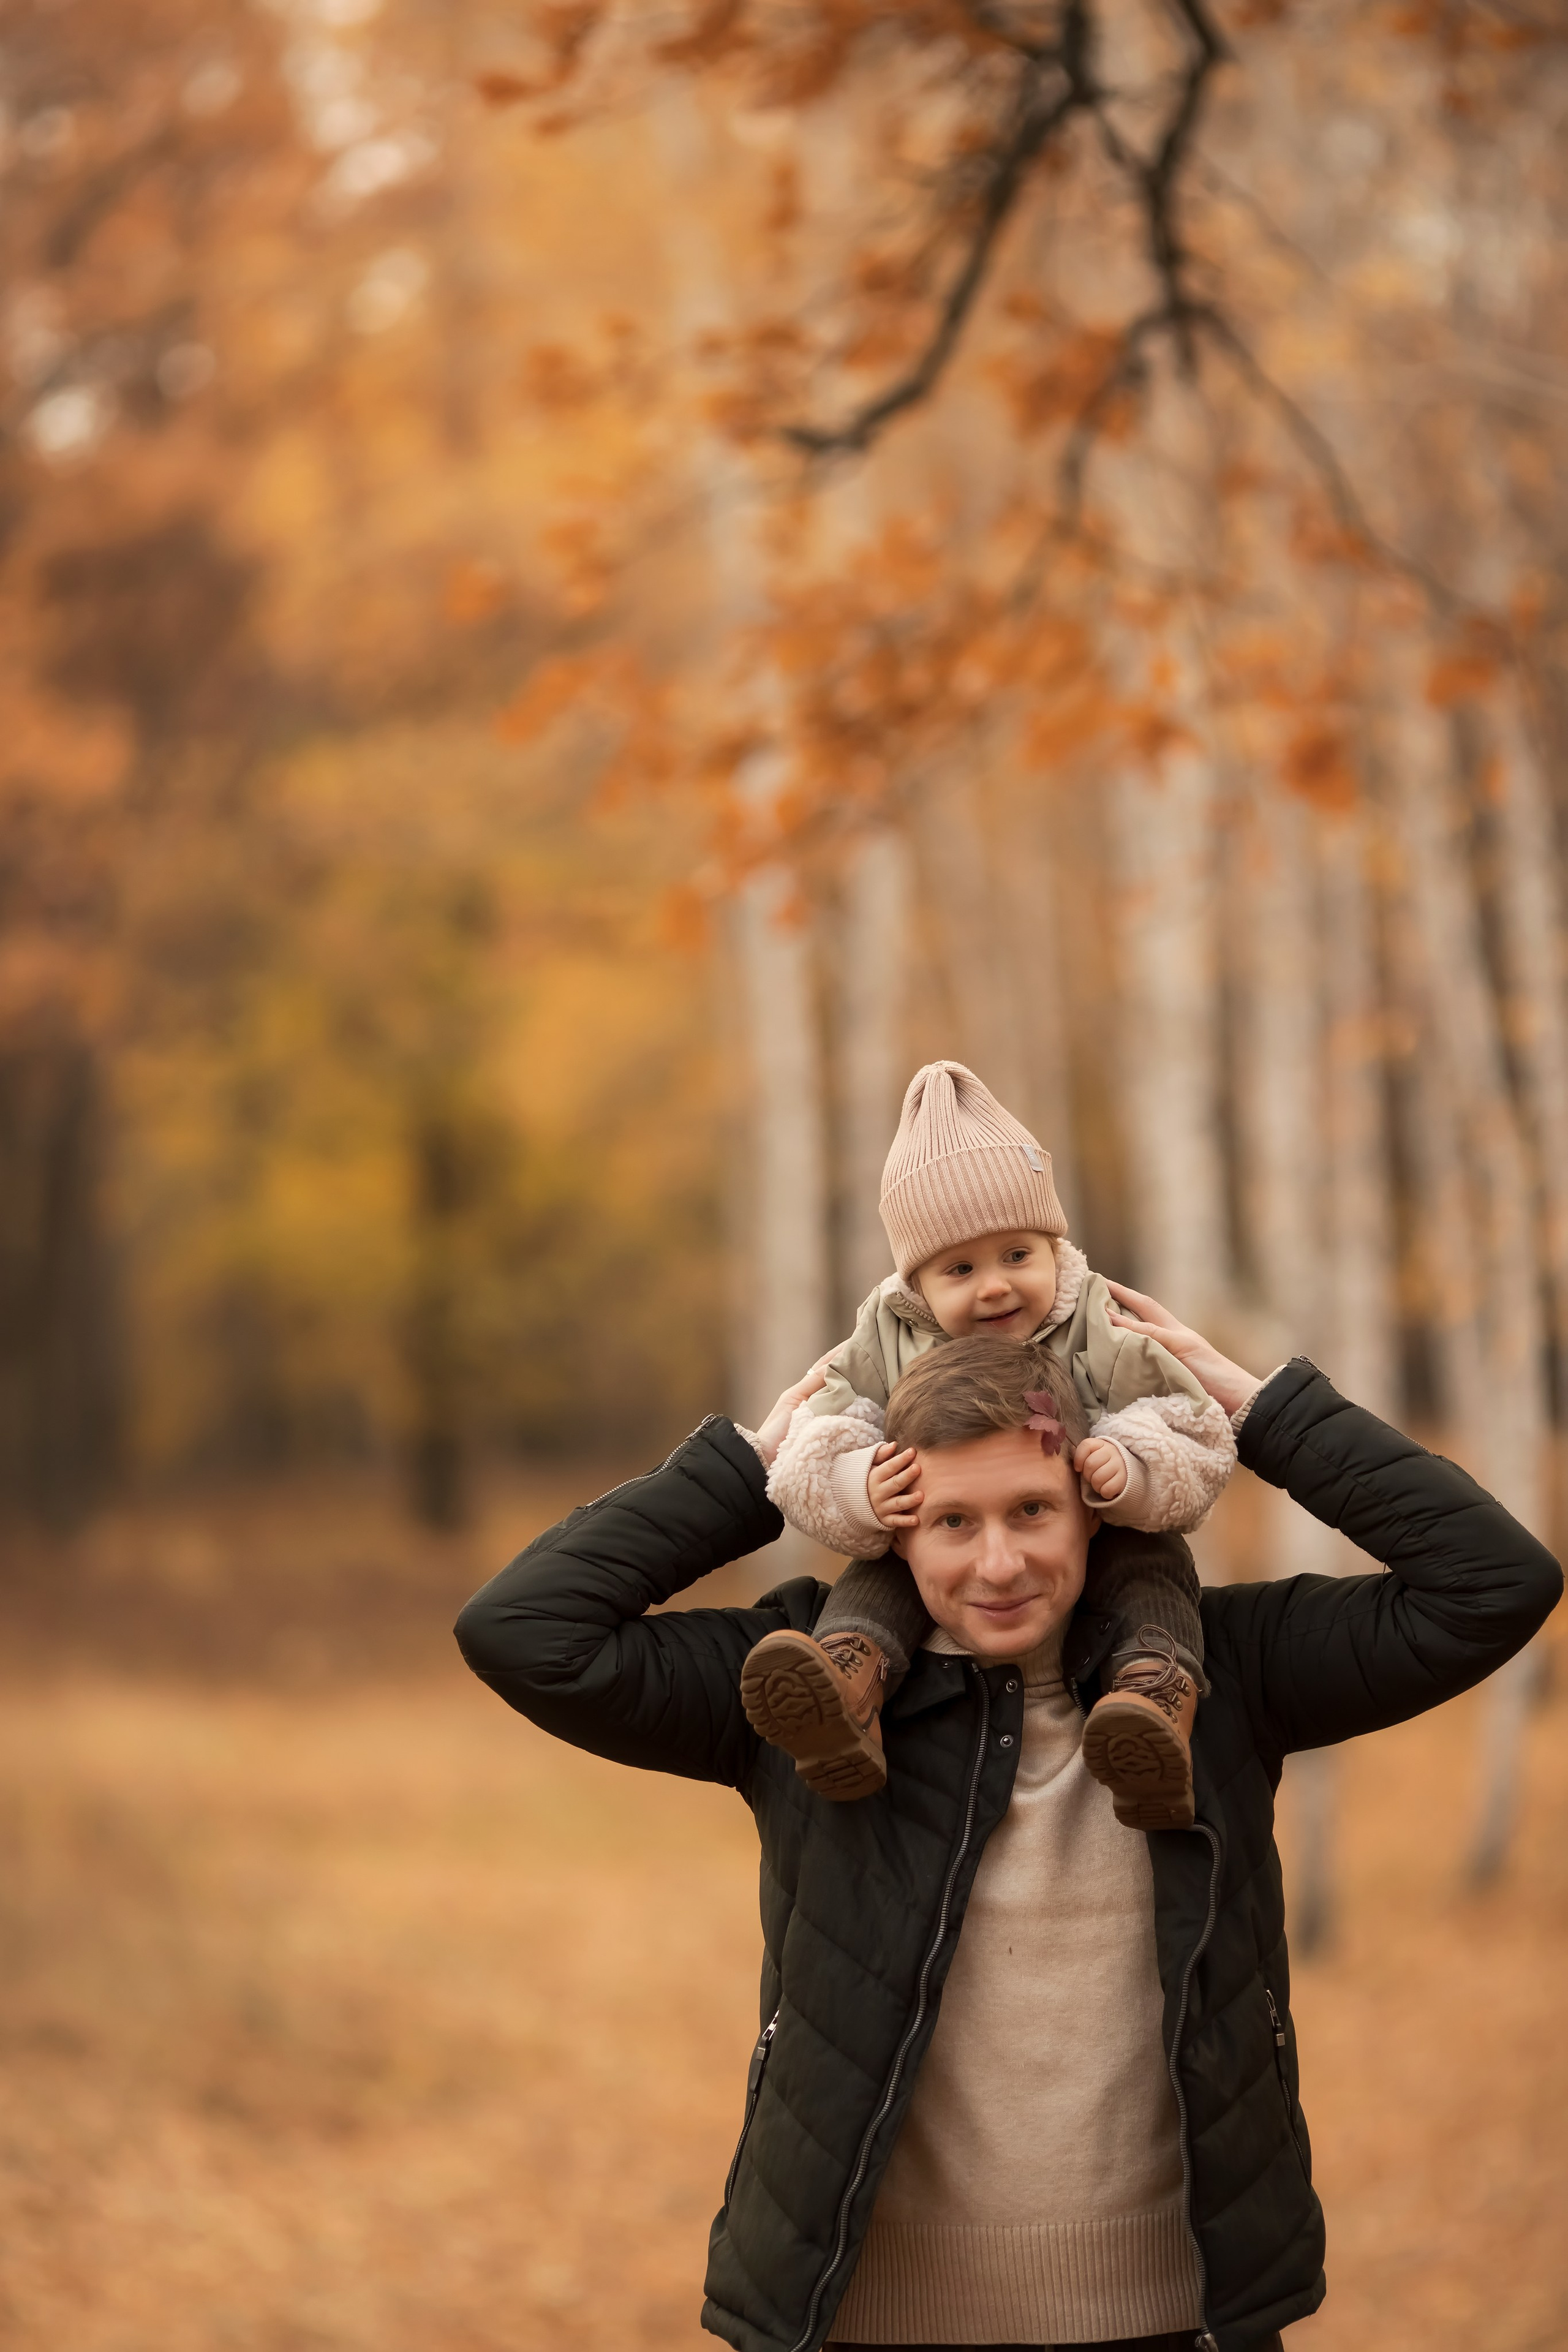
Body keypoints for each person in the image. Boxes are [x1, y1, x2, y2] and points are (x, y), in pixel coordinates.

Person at [454, 1297, 1559, 2352]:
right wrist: (754, 1472)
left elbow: (1492, 1583)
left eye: (1031, 1511)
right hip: (867, 2316)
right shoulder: (799, 1685)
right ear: (896, 1528)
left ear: (1094, 1504)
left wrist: (1259, 1414)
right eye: (951, 1521)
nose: (998, 1564)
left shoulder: (1224, 1674)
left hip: (1173, 2311)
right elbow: (524, 1631)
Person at [740, 1060, 1235, 1828]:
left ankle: (1150, 1700)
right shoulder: (885, 1334)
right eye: (960, 1269)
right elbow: (823, 1426)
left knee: (1151, 1566)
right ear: (917, 1287)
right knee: (884, 1565)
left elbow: (1193, 1426)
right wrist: (855, 1486)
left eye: (1016, 1256)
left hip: (1105, 1523)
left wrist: (1132, 1466)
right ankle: (844, 1687)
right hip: (931, 1539)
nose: (996, 1286)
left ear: (1052, 1247)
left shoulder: (1098, 1323)